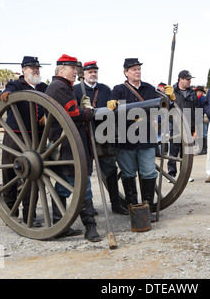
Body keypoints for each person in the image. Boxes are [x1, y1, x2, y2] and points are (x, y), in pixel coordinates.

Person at [107, 58, 175, 216]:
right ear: (126, 72)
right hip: (125, 140)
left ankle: (147, 209)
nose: (137, 71)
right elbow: (110, 111)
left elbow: (164, 109)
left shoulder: (149, 89)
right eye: (133, 69)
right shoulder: (118, 90)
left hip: (146, 139)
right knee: (128, 174)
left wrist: (169, 99)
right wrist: (111, 104)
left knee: (148, 172)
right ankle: (133, 209)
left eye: (138, 69)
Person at [45, 54, 102, 242]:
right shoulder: (58, 87)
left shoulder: (63, 86)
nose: (76, 72)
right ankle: (90, 228)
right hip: (67, 144)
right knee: (83, 184)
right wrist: (88, 112)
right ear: (61, 69)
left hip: (70, 142)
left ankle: (58, 224)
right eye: (72, 69)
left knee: (62, 185)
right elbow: (71, 113)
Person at [74, 61, 128, 215]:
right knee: (86, 171)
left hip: (103, 135)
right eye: (90, 72)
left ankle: (116, 204)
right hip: (84, 135)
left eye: (95, 71)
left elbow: (113, 109)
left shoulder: (104, 89)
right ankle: (87, 206)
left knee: (110, 170)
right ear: (83, 74)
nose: (93, 74)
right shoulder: (77, 90)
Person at [0, 56, 48, 226]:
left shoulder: (44, 87)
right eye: (32, 68)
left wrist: (46, 117)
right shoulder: (16, 84)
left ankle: (30, 216)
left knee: (32, 175)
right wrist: (7, 94)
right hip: (16, 135)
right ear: (24, 70)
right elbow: (8, 92)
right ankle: (10, 213)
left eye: (37, 68)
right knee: (9, 173)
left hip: (37, 137)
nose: (35, 70)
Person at [167, 70, 198, 182]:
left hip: (189, 125)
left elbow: (196, 109)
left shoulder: (192, 93)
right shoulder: (172, 92)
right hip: (175, 125)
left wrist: (195, 127)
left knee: (187, 153)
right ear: (180, 79)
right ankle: (172, 174)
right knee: (173, 152)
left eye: (190, 79)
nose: (189, 81)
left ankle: (185, 175)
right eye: (187, 79)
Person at [195, 86, 208, 155]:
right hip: (199, 117)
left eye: (197, 91)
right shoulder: (199, 98)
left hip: (202, 117)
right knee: (201, 133)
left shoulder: (202, 99)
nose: (196, 93)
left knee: (203, 133)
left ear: (200, 92)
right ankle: (202, 148)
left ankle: (203, 148)